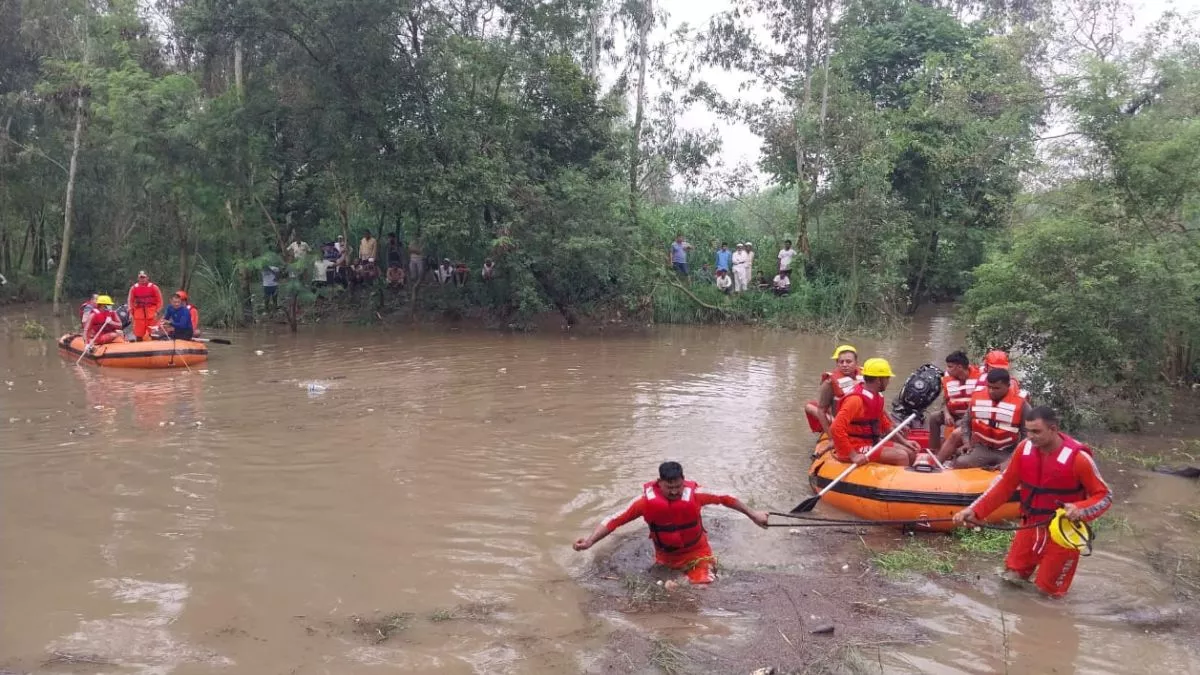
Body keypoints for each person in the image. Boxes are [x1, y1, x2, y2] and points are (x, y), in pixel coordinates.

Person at [953, 406, 1112, 598]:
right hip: (1030, 527)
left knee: (1047, 595)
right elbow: (1004, 485)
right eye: (1028, 431)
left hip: (1063, 533)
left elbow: (1104, 496)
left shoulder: (1079, 458)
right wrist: (975, 511)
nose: (1030, 436)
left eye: (1036, 431)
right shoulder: (1023, 449)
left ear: (1053, 429)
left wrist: (1080, 508)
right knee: (1011, 579)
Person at [572, 461, 769, 585]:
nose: (675, 492)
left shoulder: (696, 495)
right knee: (665, 590)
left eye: (678, 486)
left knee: (703, 587)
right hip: (666, 559)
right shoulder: (643, 503)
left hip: (698, 554)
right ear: (659, 483)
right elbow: (613, 520)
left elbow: (727, 498)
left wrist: (754, 515)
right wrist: (590, 542)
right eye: (669, 487)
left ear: (684, 481)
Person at [831, 358, 921, 466]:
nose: (889, 381)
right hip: (854, 446)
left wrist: (905, 442)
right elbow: (836, 427)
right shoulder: (856, 400)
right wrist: (853, 455)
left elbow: (886, 425)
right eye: (887, 378)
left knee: (910, 452)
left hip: (870, 442)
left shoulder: (876, 396)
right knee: (901, 456)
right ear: (879, 380)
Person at [939, 368, 1034, 469]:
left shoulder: (1022, 404)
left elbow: (1028, 435)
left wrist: (1014, 457)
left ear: (1007, 386)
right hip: (983, 448)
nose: (991, 391)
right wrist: (967, 442)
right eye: (989, 387)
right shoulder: (978, 397)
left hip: (1008, 452)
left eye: (996, 388)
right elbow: (966, 422)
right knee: (960, 463)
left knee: (1011, 471)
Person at [805, 345, 862, 440]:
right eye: (841, 362)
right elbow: (821, 410)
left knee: (811, 406)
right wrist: (831, 438)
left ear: (856, 363)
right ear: (837, 363)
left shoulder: (866, 377)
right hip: (840, 419)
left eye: (848, 361)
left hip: (859, 420)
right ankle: (826, 429)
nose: (844, 364)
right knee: (810, 405)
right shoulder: (830, 382)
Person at [928, 351, 981, 450]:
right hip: (953, 414)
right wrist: (947, 414)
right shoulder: (947, 378)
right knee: (934, 417)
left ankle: (956, 453)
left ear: (960, 367)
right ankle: (934, 451)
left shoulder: (979, 378)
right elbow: (945, 400)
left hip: (970, 417)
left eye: (950, 367)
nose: (947, 369)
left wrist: (966, 418)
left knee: (959, 424)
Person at [126, 271, 163, 342]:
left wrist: (157, 312)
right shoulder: (133, 288)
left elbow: (160, 301)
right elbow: (130, 301)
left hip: (152, 314)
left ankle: (155, 349)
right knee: (138, 335)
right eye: (141, 277)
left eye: (144, 277)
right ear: (138, 278)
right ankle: (139, 349)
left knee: (154, 334)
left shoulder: (154, 287)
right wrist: (131, 313)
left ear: (147, 278)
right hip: (138, 315)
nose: (142, 279)